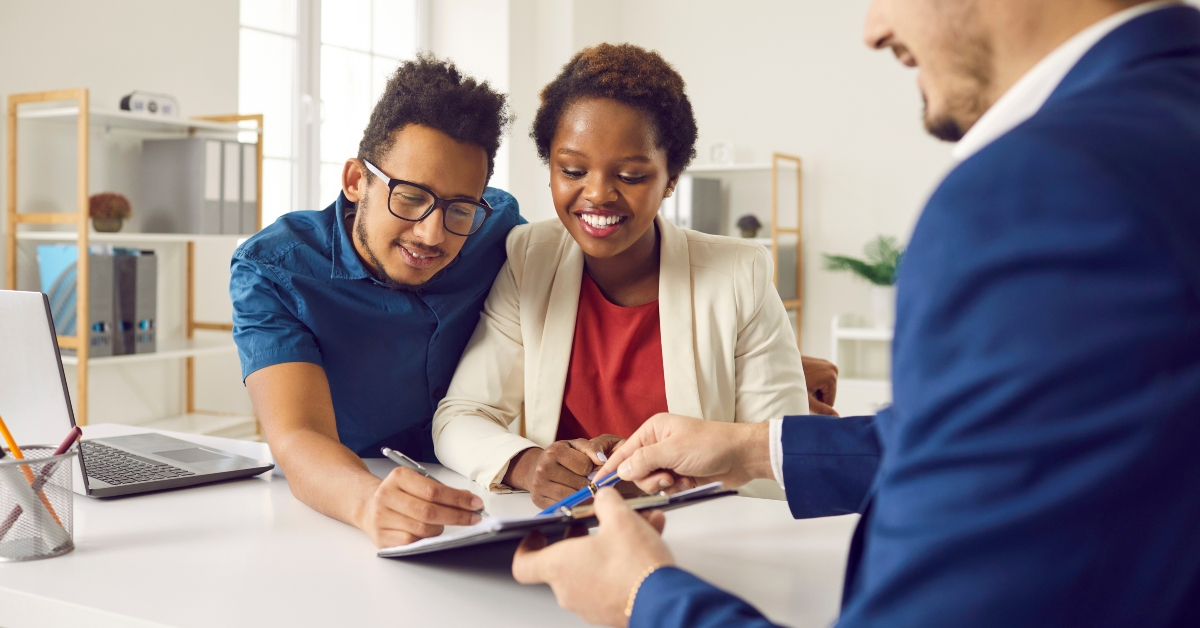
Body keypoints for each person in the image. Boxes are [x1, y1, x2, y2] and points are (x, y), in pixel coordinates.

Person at [510, 1, 1200, 626]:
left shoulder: (1040, 188)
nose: (872, 28)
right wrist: (751, 448)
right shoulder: (1167, 117)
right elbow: (1034, 439)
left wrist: (644, 597)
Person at [432, 44, 822, 508]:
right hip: (564, 536)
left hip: (696, 543)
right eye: (572, 170)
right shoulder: (529, 257)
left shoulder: (738, 274)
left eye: (632, 176)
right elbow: (459, 417)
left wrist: (672, 482)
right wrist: (530, 463)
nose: (597, 194)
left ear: (671, 176)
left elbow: (785, 462)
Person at [230, 55, 523, 548]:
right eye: (410, 196)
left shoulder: (498, 227)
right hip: (347, 496)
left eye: (460, 208)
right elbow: (299, 435)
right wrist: (369, 502)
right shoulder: (274, 269)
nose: (432, 234)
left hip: (483, 486)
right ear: (355, 181)